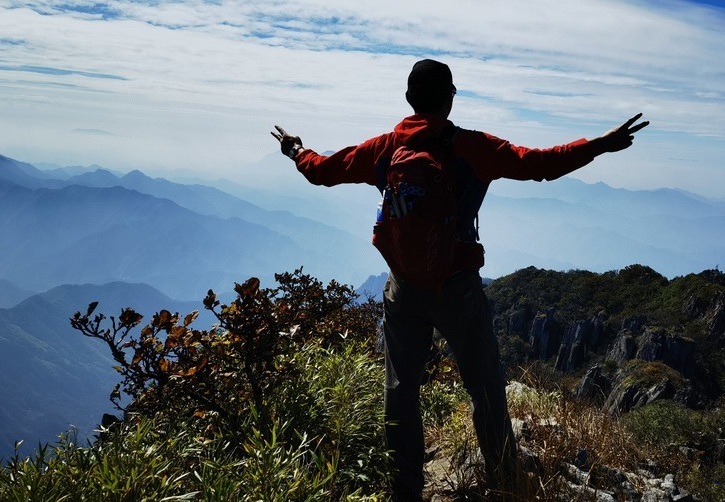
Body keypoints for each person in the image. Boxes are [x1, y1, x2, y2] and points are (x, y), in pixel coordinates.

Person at [272, 59, 648, 501]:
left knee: (400, 389)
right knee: (485, 384)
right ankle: (504, 477)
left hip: (403, 288)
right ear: (449, 98)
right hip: (458, 289)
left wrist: (296, 150)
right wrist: (598, 145)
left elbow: (322, 171)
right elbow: (539, 164)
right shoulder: (471, 146)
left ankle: (405, 489)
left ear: (410, 99)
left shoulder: (385, 148)